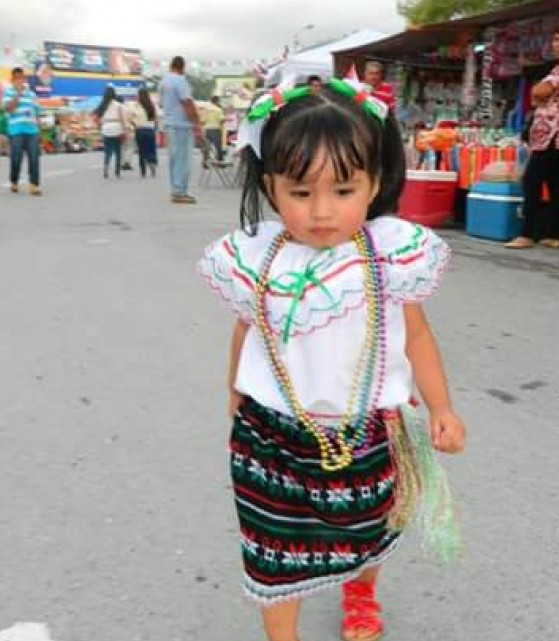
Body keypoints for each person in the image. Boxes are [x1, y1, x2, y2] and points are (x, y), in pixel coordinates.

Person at [196, 80, 466, 641]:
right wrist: (233, 390)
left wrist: (441, 406)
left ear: (374, 185)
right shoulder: (256, 259)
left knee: (367, 528)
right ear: (271, 187)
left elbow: (416, 338)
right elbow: (246, 328)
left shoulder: (389, 255)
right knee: (270, 548)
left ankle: (361, 589)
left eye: (343, 189)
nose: (322, 212)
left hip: (367, 433)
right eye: (300, 192)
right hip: (267, 436)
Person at [505, 21, 559, 250]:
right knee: (556, 182)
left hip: (554, 131)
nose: (558, 45)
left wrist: (538, 91)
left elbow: (540, 91)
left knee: (532, 179)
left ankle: (527, 233)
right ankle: (553, 233)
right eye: (556, 40)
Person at [159, 56, 203, 204]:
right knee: (183, 160)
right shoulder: (180, 81)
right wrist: (196, 124)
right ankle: (180, 191)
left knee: (174, 159)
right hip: (182, 125)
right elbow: (187, 103)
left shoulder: (163, 82)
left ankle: (175, 189)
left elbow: (161, 104)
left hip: (169, 123)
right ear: (182, 67)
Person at [2, 67, 42, 196]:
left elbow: (37, 111)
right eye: (17, 78)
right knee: (16, 158)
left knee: (34, 158)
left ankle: (34, 185)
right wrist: (18, 95)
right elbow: (9, 109)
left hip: (32, 130)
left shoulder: (31, 94)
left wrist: (39, 128)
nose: (20, 80)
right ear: (12, 79)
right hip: (16, 130)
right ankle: (14, 181)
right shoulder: (8, 92)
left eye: (22, 78)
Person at [94, 86, 129, 179]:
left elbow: (96, 118)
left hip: (106, 128)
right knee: (118, 151)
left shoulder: (102, 105)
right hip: (117, 127)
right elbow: (122, 119)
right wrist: (125, 130)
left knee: (108, 151)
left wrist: (100, 126)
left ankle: (106, 167)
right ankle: (117, 171)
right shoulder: (118, 105)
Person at [129, 87, 159, 178]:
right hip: (150, 130)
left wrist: (135, 124)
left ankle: (143, 171)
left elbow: (130, 118)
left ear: (139, 96)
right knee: (151, 149)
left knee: (141, 151)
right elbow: (155, 119)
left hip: (140, 130)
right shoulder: (151, 106)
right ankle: (152, 164)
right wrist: (155, 129)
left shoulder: (136, 106)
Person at [201, 95, 226, 167]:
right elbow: (221, 120)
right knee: (218, 147)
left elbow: (202, 121)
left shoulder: (205, 110)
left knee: (207, 147)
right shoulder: (218, 109)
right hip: (215, 129)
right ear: (217, 101)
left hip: (207, 129)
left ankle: (205, 162)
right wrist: (225, 119)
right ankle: (220, 163)